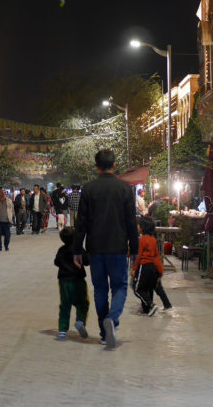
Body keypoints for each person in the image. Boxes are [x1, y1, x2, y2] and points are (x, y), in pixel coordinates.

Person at [73, 149, 138, 348]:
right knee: (119, 287)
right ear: (115, 165)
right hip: (118, 247)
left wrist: (77, 249)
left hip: (95, 248)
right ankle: (112, 319)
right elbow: (130, 222)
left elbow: (81, 222)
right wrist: (134, 248)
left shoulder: (89, 189)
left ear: (96, 167)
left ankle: (103, 332)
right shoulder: (125, 189)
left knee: (100, 290)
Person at [54, 227, 90, 340]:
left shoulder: (61, 250)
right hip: (78, 280)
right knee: (83, 303)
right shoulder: (78, 250)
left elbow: (56, 262)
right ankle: (80, 321)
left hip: (64, 281)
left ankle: (62, 330)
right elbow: (87, 261)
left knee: (65, 305)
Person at [131, 218, 164, 316]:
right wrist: (160, 270)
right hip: (152, 267)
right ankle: (148, 308)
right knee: (148, 288)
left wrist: (134, 268)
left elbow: (138, 255)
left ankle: (150, 305)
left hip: (143, 266)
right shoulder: (153, 240)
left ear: (142, 228)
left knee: (137, 289)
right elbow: (156, 256)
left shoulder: (141, 240)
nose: (137, 227)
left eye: (139, 225)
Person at [0, 187, 14, 252]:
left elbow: (12, 210)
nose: (3, 193)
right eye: (1, 191)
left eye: (4, 191)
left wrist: (11, 217)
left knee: (7, 236)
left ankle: (6, 245)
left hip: (7, 221)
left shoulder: (9, 201)